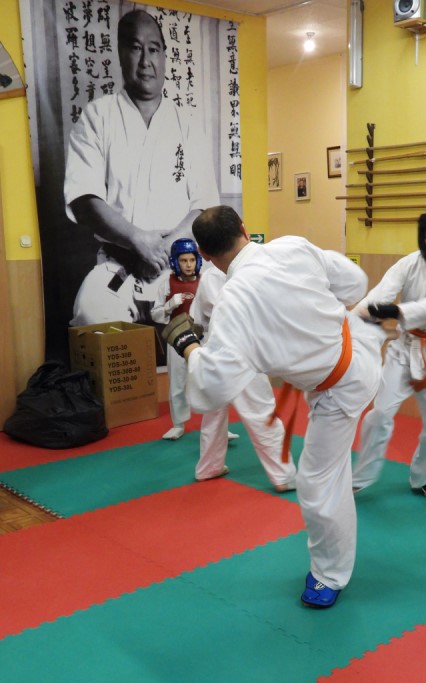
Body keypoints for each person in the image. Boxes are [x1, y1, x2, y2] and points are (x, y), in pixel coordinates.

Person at [163, 205, 384, 609]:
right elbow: (355, 282)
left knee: (319, 483)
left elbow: (211, 389)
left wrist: (189, 346)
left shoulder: (234, 302)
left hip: (342, 386)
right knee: (325, 474)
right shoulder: (292, 247)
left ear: (205, 255)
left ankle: (329, 575)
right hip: (359, 347)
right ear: (245, 230)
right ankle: (331, 564)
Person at [64, 9, 220, 330]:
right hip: (119, 265)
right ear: (121, 53)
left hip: (179, 263)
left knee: (222, 311)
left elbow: (204, 205)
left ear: (164, 55)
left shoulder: (188, 124)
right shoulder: (97, 116)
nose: (146, 60)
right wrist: (137, 239)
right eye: (136, 48)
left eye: (154, 49)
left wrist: (164, 248)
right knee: (92, 315)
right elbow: (84, 199)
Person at [352, 206, 426, 499]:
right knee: (380, 413)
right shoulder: (408, 263)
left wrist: (396, 311)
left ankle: (425, 477)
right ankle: (360, 476)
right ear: (422, 237)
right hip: (404, 349)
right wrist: (359, 314)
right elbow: (383, 291)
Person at [192, 260, 297, 491]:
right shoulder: (251, 271)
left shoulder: (209, 277)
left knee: (214, 414)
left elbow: (197, 319)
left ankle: (209, 467)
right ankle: (283, 475)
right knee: (260, 412)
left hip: (213, 350)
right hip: (242, 351)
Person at [150, 238, 203, 440]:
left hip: (202, 337)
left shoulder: (205, 281)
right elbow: (155, 315)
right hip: (177, 338)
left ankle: (219, 426)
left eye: (191, 260)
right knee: (177, 383)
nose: (188, 265)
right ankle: (178, 424)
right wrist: (169, 305)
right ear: (175, 262)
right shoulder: (167, 284)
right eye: (183, 260)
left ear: (197, 260)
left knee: (209, 381)